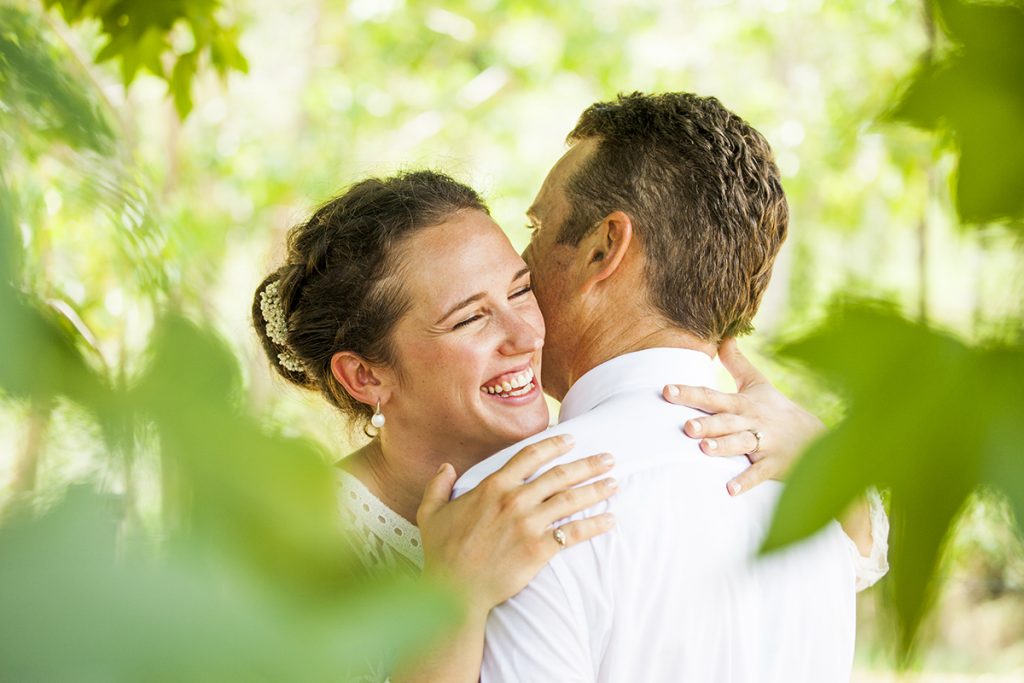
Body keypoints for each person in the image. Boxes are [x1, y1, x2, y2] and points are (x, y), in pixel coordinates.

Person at [252, 172, 885, 679]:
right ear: (366, 377)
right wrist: (452, 604)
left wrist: (828, 464)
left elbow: (831, 564)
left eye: (522, 289)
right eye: (471, 319)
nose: (526, 335)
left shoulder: (571, 461)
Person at [452, 92, 881, 682]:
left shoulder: (514, 505)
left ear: (603, 248)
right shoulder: (820, 504)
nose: (521, 264)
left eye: (537, 228)